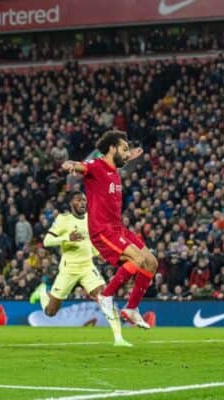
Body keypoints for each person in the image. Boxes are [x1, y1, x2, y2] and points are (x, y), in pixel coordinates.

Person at [61, 130, 158, 329]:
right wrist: (71, 165)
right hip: (103, 230)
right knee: (137, 259)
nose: (126, 153)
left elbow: (119, 159)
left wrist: (129, 156)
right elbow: (82, 167)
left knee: (151, 262)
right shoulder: (96, 166)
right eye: (123, 149)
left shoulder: (113, 169)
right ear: (112, 148)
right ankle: (105, 296)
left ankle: (131, 308)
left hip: (118, 228)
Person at [31, 191, 131, 347]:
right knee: (50, 312)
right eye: (79, 200)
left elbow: (90, 241)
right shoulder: (63, 219)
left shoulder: (91, 220)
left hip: (87, 267)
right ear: (71, 203)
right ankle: (43, 291)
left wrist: (99, 254)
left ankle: (119, 338)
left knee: (105, 298)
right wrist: (66, 238)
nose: (83, 203)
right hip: (68, 269)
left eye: (84, 200)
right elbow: (47, 241)